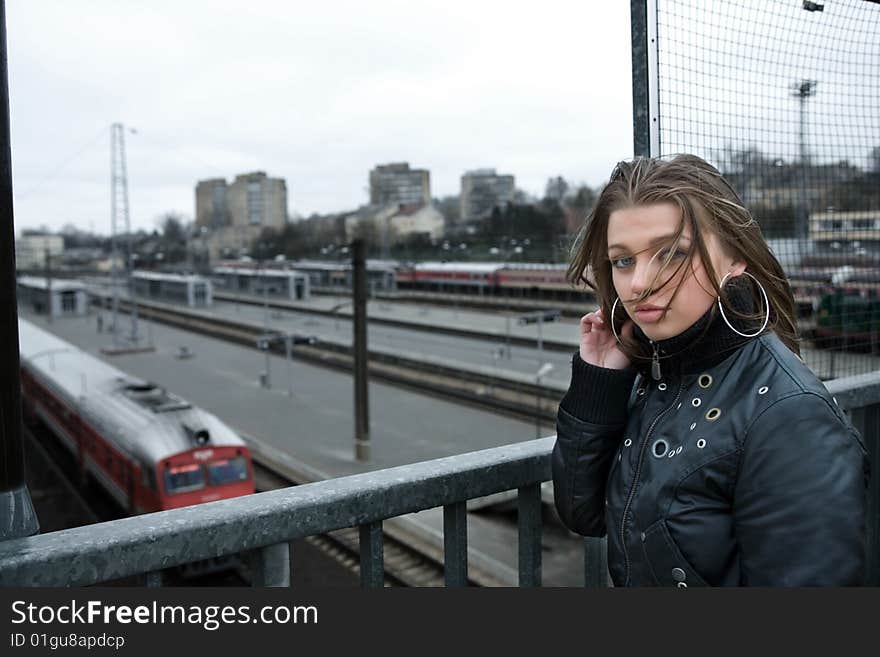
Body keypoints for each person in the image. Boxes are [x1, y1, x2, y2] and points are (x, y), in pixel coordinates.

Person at [552, 154, 868, 586]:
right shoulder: (656, 373)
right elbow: (582, 511)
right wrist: (599, 381)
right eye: (623, 261)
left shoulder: (790, 416)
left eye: (672, 254)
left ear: (735, 259)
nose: (640, 283)